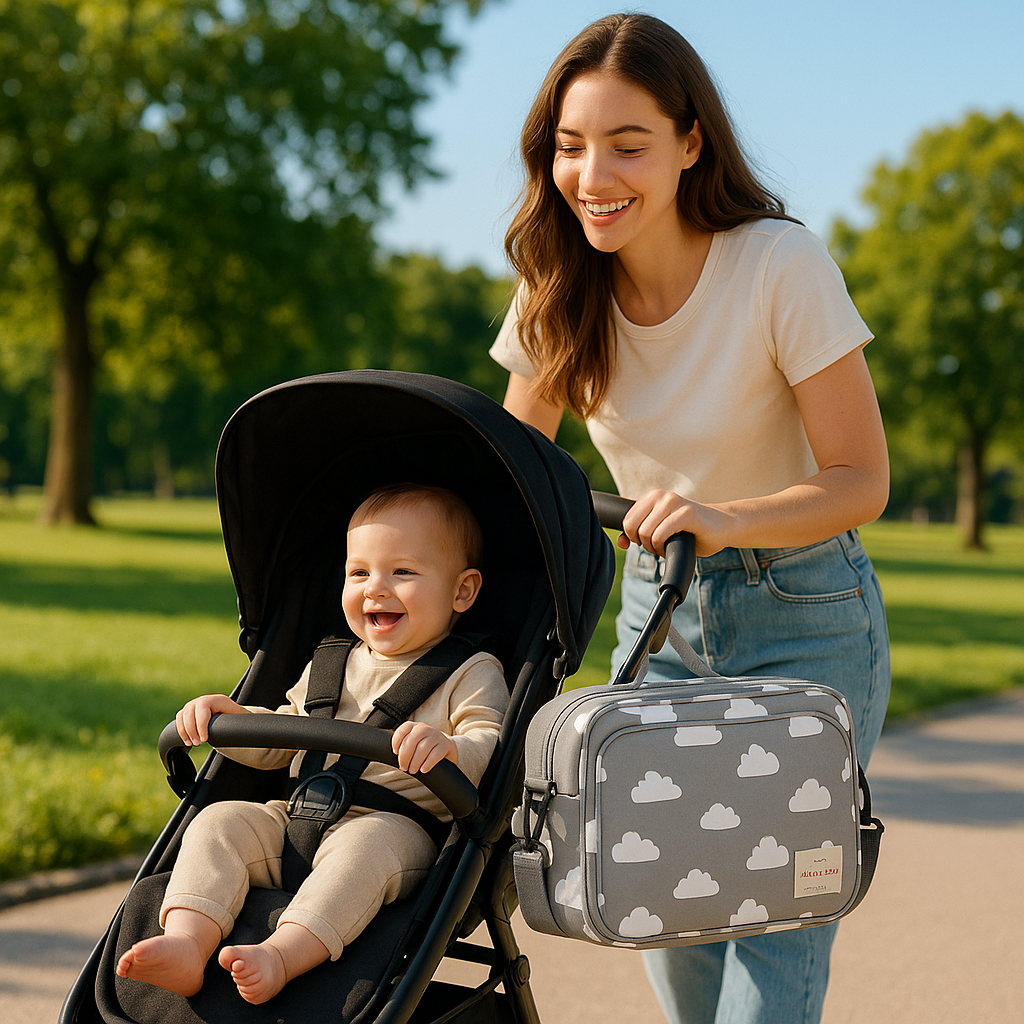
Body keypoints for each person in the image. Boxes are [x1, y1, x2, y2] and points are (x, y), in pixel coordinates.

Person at [490, 13, 890, 1024]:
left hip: (805, 614)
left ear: (688, 143)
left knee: (775, 927)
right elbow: (509, 478)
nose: (594, 173)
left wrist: (722, 515)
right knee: (664, 922)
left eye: (628, 144)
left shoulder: (776, 265)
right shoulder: (554, 288)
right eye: (571, 147)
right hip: (656, 622)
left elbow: (859, 479)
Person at [116, 483, 508, 1005]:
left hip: (398, 831)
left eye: (403, 572)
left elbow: (492, 743)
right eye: (359, 572)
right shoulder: (330, 662)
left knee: (363, 850)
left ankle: (281, 955)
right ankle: (187, 942)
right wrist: (233, 720)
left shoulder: (472, 672)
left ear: (462, 591)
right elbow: (283, 736)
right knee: (221, 820)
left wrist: (451, 748)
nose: (376, 588)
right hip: (298, 815)